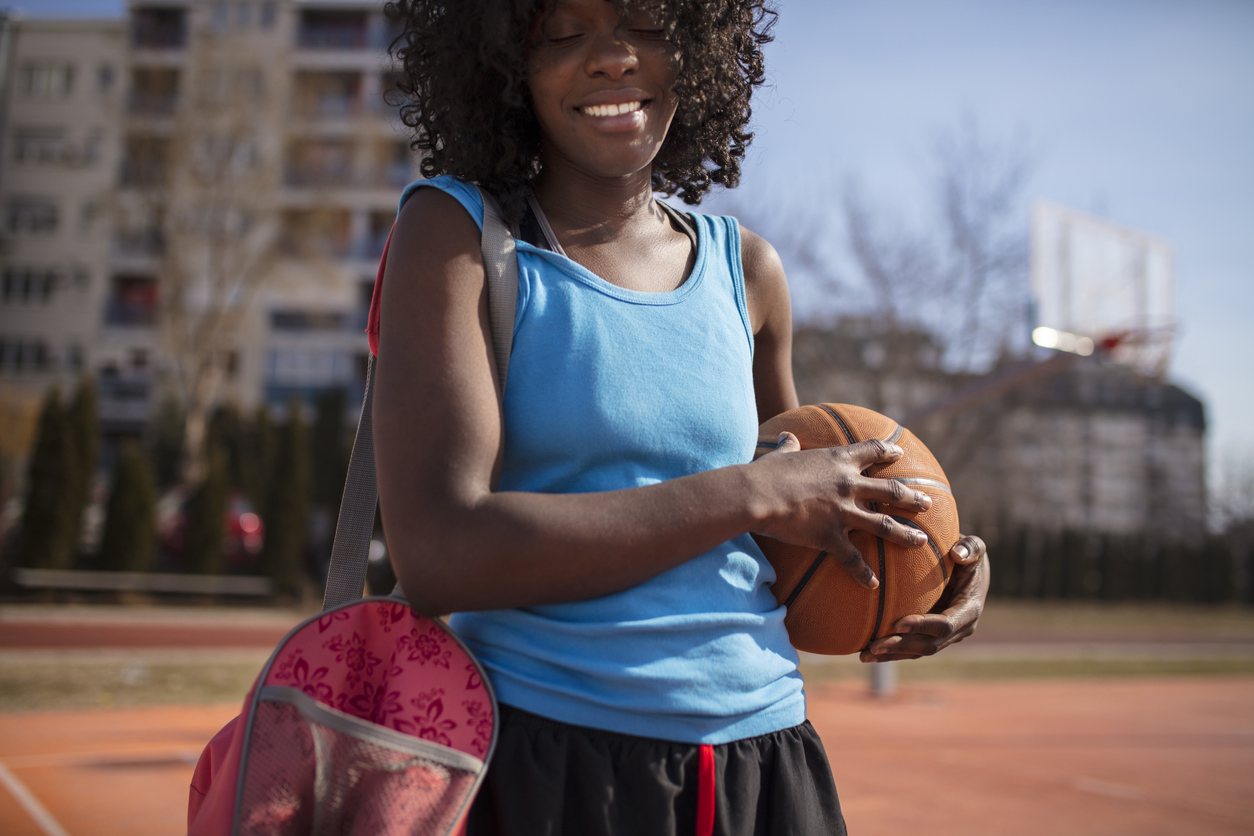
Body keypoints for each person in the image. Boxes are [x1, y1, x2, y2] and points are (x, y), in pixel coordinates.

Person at [372, 1, 990, 833]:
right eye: (563, 29)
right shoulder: (457, 234)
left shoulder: (751, 270)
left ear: (699, 49)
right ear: (502, 59)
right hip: (551, 761)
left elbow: (798, 528)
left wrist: (932, 559)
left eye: (649, 22)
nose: (612, 58)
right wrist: (747, 494)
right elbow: (441, 553)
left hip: (768, 760)